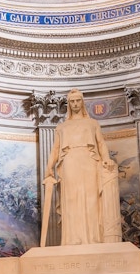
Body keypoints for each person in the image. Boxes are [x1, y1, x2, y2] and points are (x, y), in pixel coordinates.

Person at [43, 89, 120, 245]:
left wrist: (106, 159)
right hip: (69, 163)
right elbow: (56, 150)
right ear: (68, 104)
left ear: (82, 102)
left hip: (90, 161)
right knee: (71, 200)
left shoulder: (92, 123)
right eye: (72, 101)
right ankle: (72, 239)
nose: (75, 104)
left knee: (91, 199)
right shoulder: (62, 127)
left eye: (78, 100)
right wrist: (49, 168)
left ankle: (93, 238)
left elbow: (100, 143)